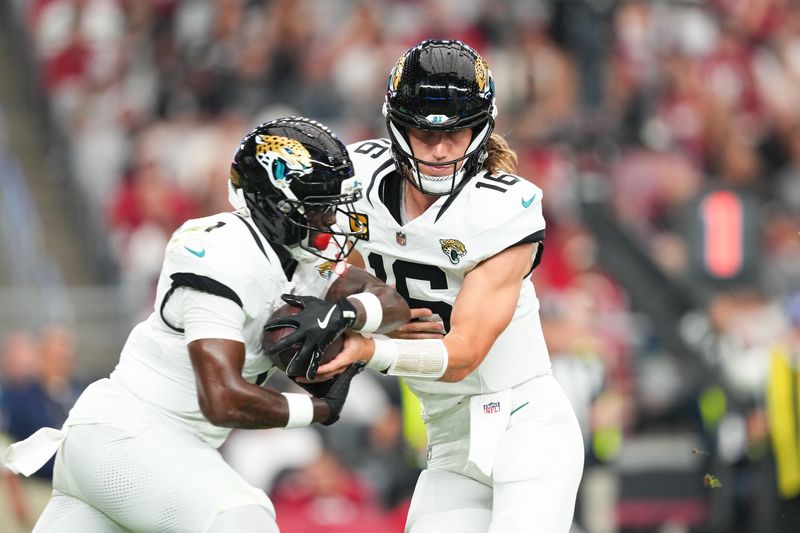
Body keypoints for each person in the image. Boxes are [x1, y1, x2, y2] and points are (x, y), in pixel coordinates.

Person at [3, 116, 411, 533]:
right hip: (128, 436)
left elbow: (394, 304)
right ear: (276, 205)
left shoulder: (305, 261)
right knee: (243, 518)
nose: (331, 219)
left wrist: (345, 313)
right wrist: (317, 408)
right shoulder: (222, 251)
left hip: (145, 448)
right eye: (320, 205)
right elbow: (222, 398)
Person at [307, 40, 585, 532]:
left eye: (456, 134)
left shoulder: (504, 208)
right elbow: (326, 270)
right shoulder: (357, 181)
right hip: (450, 446)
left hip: (525, 425)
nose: (439, 149)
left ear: (481, 130)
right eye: (422, 131)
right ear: (396, 127)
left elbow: (463, 354)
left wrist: (366, 348)